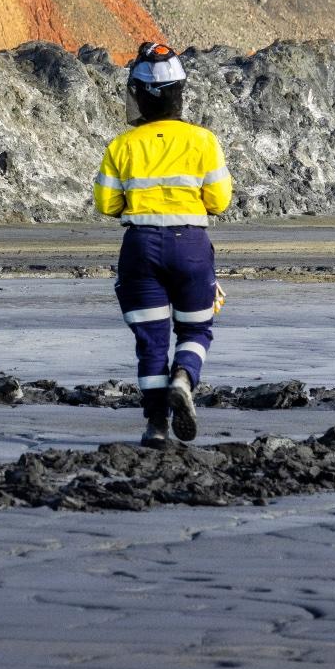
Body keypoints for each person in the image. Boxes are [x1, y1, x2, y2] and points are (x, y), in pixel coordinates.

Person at [92, 42, 232, 446]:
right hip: (190, 244)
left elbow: (106, 204)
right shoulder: (203, 141)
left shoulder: (122, 145)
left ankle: (156, 426)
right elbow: (220, 201)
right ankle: (185, 379)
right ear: (179, 93)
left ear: (137, 95)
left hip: (140, 248)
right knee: (196, 329)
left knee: (150, 343)